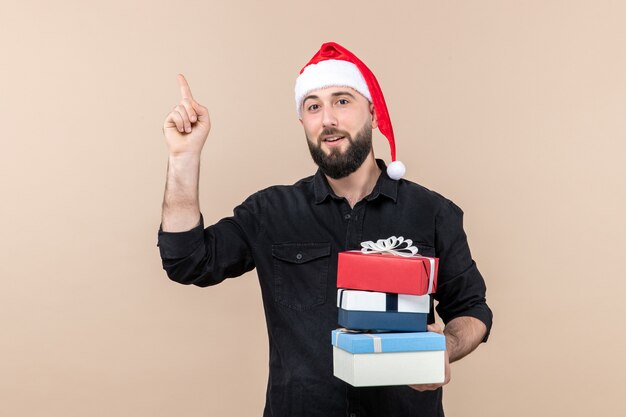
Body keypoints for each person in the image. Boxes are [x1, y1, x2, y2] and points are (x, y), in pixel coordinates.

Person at [157, 42, 493, 417]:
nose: (327, 118)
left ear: (373, 112)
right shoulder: (270, 211)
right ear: (303, 122)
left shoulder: (432, 212)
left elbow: (472, 309)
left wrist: (446, 346)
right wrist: (183, 158)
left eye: (342, 101)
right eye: (313, 106)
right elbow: (186, 261)